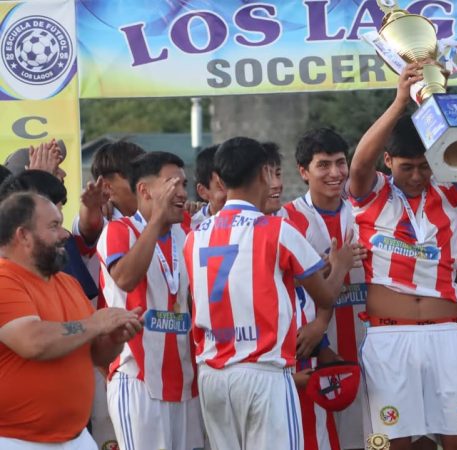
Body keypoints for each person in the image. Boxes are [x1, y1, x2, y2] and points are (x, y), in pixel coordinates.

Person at [185, 136, 354, 450]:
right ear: (264, 173)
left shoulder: (194, 236)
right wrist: (341, 265)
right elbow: (326, 297)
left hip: (212, 374)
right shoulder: (277, 229)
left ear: (220, 179)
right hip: (263, 373)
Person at [348, 63, 457, 450]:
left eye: (425, 167)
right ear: (388, 162)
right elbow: (358, 164)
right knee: (395, 444)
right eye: (406, 167)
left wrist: (434, 98)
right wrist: (399, 103)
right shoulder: (373, 194)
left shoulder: (449, 193)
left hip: (446, 335)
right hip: (390, 336)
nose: (416, 177)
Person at [0, 192, 141, 449]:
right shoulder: (4, 280)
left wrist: (114, 338)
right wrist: (96, 324)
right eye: (54, 226)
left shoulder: (68, 283)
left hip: (76, 438)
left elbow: (95, 355)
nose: (65, 234)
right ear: (23, 236)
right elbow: (33, 342)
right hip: (15, 440)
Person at [97, 151, 203, 450]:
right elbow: (126, 279)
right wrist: (156, 221)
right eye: (172, 184)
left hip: (185, 381)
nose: (182, 192)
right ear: (144, 190)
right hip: (138, 377)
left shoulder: (189, 233)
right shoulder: (119, 231)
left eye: (184, 184)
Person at [283, 128, 368, 450]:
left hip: (370, 342)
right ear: (303, 171)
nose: (335, 173)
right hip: (317, 348)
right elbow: (284, 285)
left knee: (373, 436)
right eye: (323, 165)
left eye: (340, 163)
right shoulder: (287, 219)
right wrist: (320, 327)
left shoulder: (366, 211)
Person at [90, 140, 146, 220]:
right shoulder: (101, 223)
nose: (145, 186)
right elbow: (86, 225)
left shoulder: (164, 219)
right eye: (135, 177)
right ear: (107, 187)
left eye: (147, 175)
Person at [192, 144, 227, 229]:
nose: (233, 193)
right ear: (202, 191)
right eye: (221, 185)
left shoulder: (256, 221)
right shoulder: (192, 227)